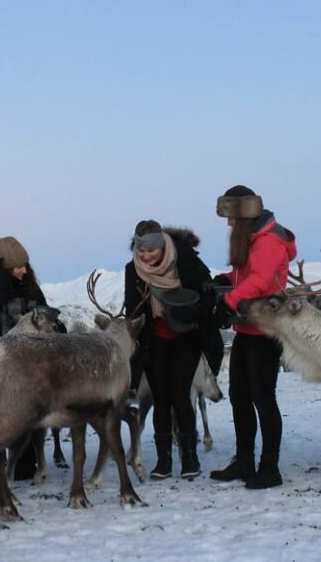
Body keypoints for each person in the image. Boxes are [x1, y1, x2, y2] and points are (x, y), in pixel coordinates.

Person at [210, 185, 297, 489]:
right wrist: (226, 283)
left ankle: (269, 468)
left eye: (231, 217)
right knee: (239, 396)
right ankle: (245, 461)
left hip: (266, 329)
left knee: (263, 398)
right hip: (247, 328)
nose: (229, 224)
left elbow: (261, 281)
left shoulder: (269, 241)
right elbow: (250, 276)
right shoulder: (253, 239)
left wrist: (230, 300)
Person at [125, 220, 223, 480]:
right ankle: (163, 461)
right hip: (153, 342)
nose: (145, 256)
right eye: (140, 251)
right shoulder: (132, 270)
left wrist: (193, 308)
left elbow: (208, 293)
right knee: (161, 399)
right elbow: (131, 310)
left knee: (181, 397)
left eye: (151, 251)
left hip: (186, 338)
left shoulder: (185, 260)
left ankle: (189, 457)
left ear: (162, 246)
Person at [0, 236, 51, 480]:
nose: (23, 270)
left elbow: (44, 311)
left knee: (27, 412)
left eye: (25, 266)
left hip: (32, 359)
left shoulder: (31, 286)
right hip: (3, 359)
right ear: (6, 266)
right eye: (17, 266)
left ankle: (24, 466)